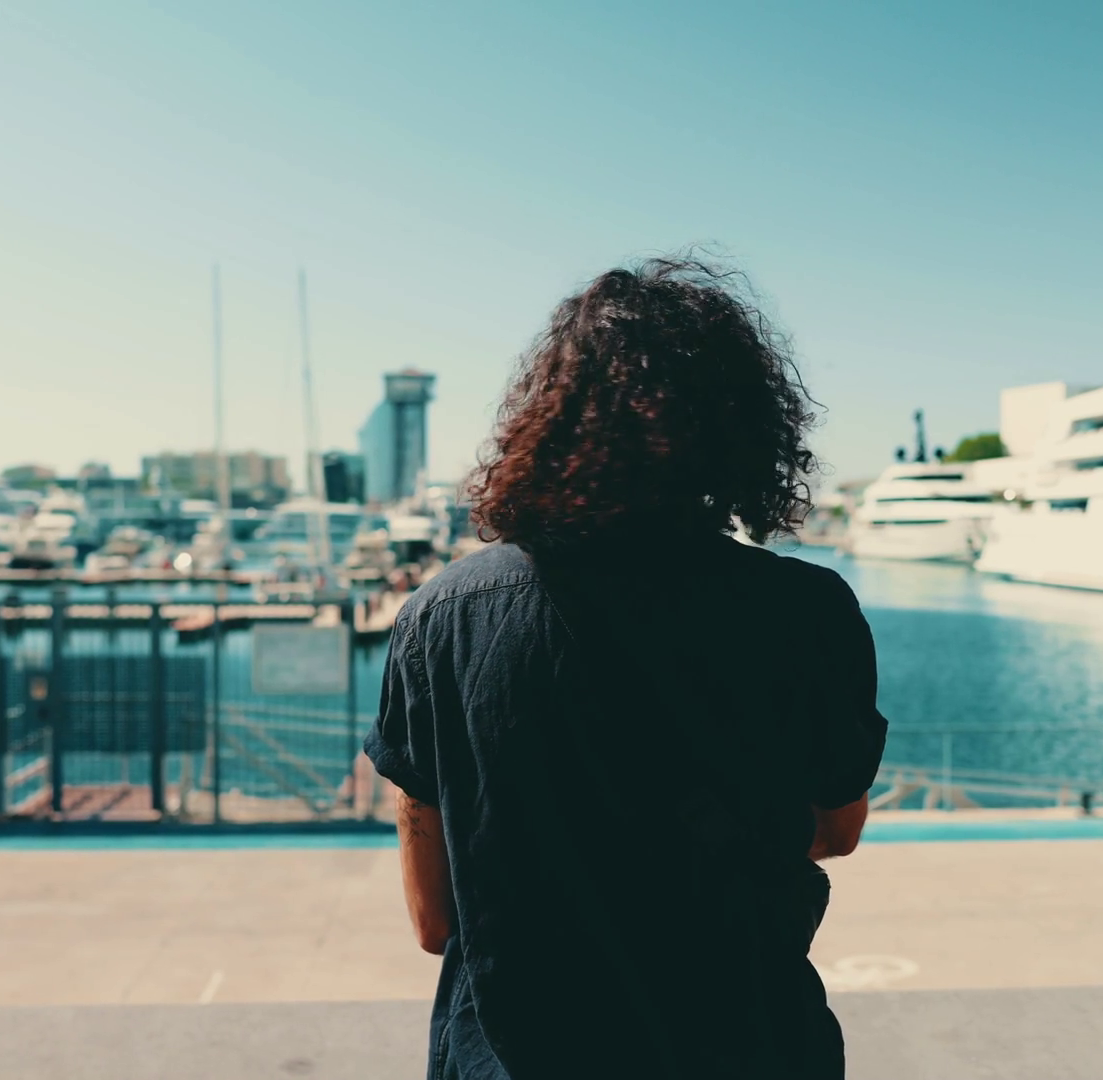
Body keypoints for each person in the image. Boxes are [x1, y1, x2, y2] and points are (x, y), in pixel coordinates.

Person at [365, 257, 888, 1079]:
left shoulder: (443, 617)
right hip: (748, 1042)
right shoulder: (806, 611)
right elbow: (836, 831)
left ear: (548, 418)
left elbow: (434, 919)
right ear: (742, 425)